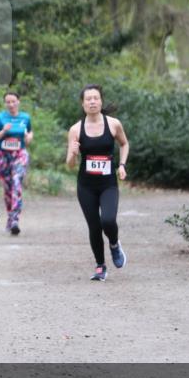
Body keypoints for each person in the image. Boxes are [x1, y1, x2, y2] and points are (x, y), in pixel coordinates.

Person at [65, 84, 129, 282]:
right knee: (94, 226)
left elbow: (124, 144)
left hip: (108, 184)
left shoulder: (114, 124)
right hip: (86, 186)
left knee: (107, 220)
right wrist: (73, 153)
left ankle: (114, 244)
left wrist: (122, 165)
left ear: (101, 101)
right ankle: (100, 266)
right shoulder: (76, 129)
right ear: (83, 104)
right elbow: (70, 164)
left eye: (96, 98)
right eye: (88, 99)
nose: (92, 102)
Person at [0, 92, 33, 235]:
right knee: (8, 190)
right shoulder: (0, 118)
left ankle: (15, 220)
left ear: (18, 101)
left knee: (16, 182)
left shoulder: (25, 117)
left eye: (13, 101)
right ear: (5, 103)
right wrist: (3, 131)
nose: (11, 104)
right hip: (3, 156)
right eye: (8, 102)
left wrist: (28, 137)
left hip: (20, 154)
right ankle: (10, 217)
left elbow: (30, 132)